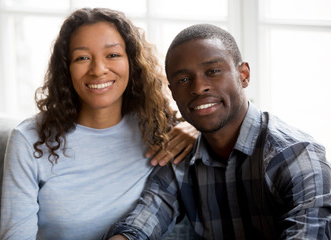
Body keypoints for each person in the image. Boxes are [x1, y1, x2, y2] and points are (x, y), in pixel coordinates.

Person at [104, 24, 331, 240]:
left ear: (244, 75)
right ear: (172, 92)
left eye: (213, 71)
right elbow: (144, 220)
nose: (198, 87)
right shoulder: (181, 159)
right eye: (183, 79)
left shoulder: (296, 156)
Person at [0, 8, 198, 240]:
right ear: (66, 68)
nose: (98, 70)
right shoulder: (28, 139)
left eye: (112, 55)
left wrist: (197, 130)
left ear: (132, 62)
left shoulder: (158, 128)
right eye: (82, 58)